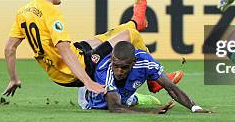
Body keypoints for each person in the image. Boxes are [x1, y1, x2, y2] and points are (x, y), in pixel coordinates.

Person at [2, 0, 177, 97]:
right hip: (78, 69)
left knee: (107, 37)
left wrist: (14, 78)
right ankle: (153, 79)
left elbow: (9, 49)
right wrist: (88, 82)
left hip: (58, 72)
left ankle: (135, 21)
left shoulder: (23, 12)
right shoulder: (51, 12)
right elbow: (63, 49)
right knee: (131, 35)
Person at [79, 41, 208, 114]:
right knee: (123, 102)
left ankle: (135, 98)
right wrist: (150, 111)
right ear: (112, 59)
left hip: (121, 94)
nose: (119, 71)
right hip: (95, 101)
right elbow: (114, 107)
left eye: (124, 67)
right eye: (116, 66)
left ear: (134, 62)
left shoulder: (145, 60)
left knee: (125, 99)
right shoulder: (104, 70)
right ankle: (137, 98)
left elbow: (171, 88)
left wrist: (195, 107)